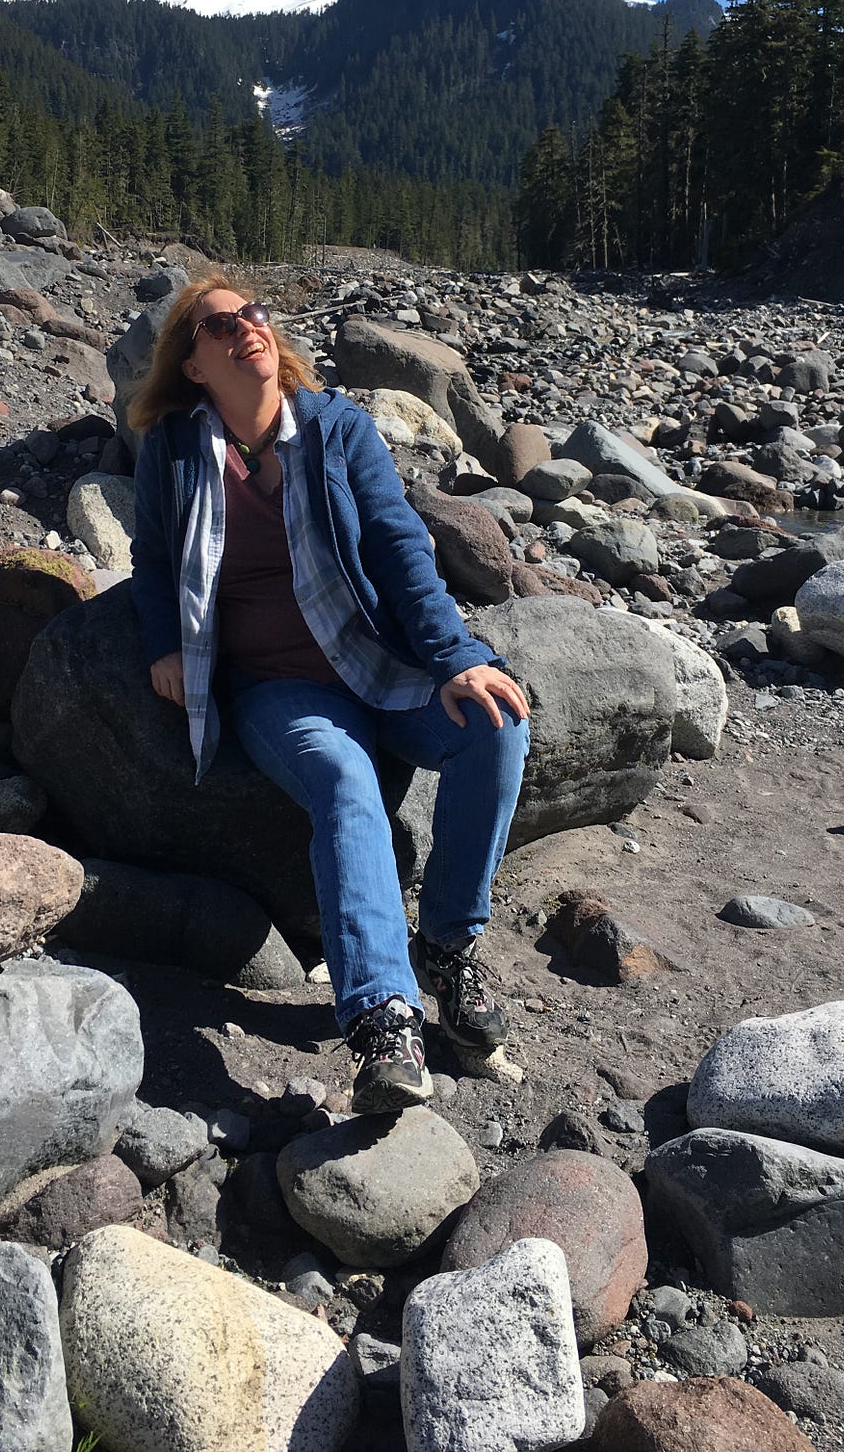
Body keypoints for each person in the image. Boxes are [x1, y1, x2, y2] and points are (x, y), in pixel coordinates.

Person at [129, 273, 530, 1113]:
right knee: (346, 786)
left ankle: (448, 950)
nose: (246, 327)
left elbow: (398, 548)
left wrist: (455, 655)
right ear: (193, 364)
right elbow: (156, 560)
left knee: (494, 722)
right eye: (218, 324)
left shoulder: (339, 428)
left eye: (254, 313)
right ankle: (384, 1017)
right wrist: (165, 641)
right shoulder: (173, 449)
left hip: (381, 664)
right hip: (280, 689)